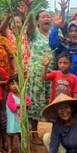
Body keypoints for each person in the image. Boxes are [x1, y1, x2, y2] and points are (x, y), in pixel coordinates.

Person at [27, 9, 55, 145]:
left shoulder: (55, 34)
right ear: (38, 21)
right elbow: (30, 27)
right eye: (43, 17)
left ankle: (55, 134)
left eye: (48, 16)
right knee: (35, 104)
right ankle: (34, 134)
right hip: (37, 75)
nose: (46, 19)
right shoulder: (34, 34)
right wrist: (28, 10)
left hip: (52, 74)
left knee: (53, 103)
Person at [5, 75, 31, 153]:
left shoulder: (23, 94)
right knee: (10, 134)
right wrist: (20, 105)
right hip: (13, 119)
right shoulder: (10, 95)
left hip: (21, 119)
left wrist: (25, 105)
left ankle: (23, 149)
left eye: (17, 84)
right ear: (9, 85)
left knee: (21, 134)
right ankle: (10, 149)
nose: (15, 86)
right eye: (12, 84)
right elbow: (10, 104)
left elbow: (28, 103)